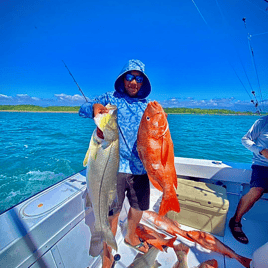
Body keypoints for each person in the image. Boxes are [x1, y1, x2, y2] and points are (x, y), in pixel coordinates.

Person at [79, 59, 151, 266]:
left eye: (138, 78)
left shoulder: (148, 106)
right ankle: (107, 253)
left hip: (140, 168)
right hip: (114, 167)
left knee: (139, 207)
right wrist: (94, 107)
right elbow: (82, 109)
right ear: (123, 78)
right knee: (113, 213)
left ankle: (130, 235)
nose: (133, 82)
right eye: (129, 76)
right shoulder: (110, 99)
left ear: (143, 82)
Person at [229, 115, 268, 244]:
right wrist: (261, 150)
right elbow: (245, 139)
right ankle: (235, 221)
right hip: (261, 166)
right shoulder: (263, 122)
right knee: (256, 191)